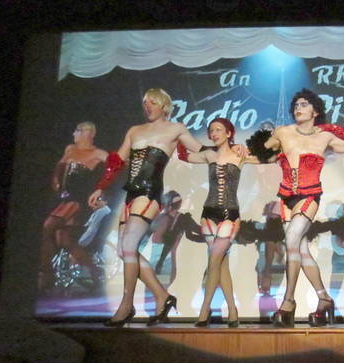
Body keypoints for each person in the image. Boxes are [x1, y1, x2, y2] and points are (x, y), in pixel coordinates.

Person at [88, 88, 209, 326]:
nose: (147, 106)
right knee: (123, 250)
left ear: (164, 105)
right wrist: (100, 186)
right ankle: (163, 296)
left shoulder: (175, 129)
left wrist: (227, 151)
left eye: (152, 102)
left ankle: (126, 305)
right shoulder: (135, 130)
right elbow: (117, 161)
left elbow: (198, 150)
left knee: (128, 246)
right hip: (131, 194)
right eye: (145, 103)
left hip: (150, 193)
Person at [249, 89, 344, 327]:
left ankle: (288, 302)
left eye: (304, 104)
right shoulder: (283, 132)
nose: (298, 108)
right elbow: (263, 152)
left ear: (315, 111)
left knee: (291, 240)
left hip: (309, 196)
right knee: (302, 250)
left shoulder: (325, 137)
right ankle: (324, 298)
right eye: (296, 105)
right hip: (286, 197)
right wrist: (242, 155)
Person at [176, 117, 262, 327]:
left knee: (214, 260)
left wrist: (246, 147)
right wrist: (177, 132)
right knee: (221, 263)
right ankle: (232, 310)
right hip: (208, 214)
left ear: (229, 133)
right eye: (211, 131)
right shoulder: (208, 154)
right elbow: (183, 155)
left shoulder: (240, 155)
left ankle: (205, 309)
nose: (214, 134)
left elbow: (269, 156)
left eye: (218, 130)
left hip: (230, 214)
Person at [39, 122, 107, 291]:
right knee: (65, 240)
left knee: (47, 227)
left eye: (77, 131)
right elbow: (60, 166)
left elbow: (115, 166)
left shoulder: (98, 153)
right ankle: (95, 271)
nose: (73, 134)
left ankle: (47, 273)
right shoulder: (70, 149)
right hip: (65, 197)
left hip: (79, 199)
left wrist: (102, 190)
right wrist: (56, 180)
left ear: (88, 133)